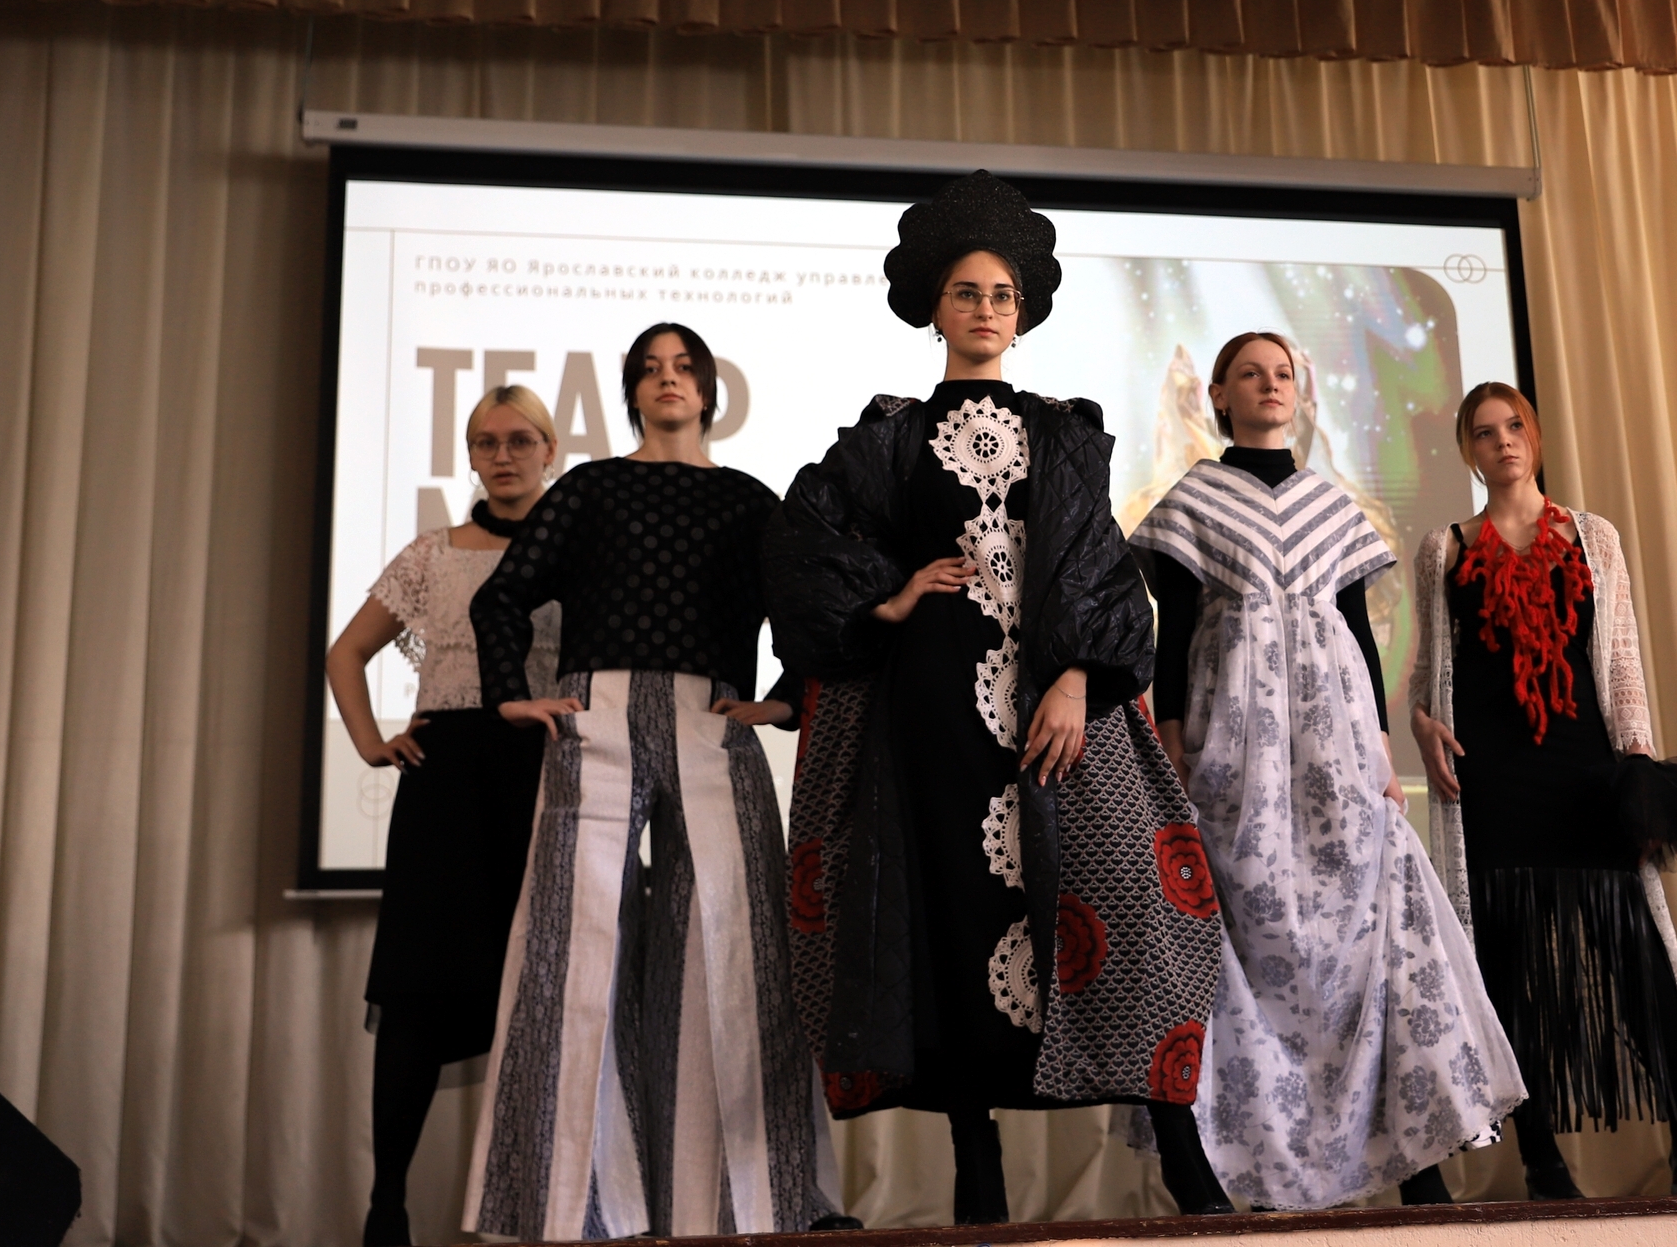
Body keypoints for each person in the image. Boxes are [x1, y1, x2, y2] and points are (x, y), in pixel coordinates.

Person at [764, 172, 1230, 1224]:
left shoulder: (1065, 431)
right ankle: (978, 1179)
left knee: (1130, 908)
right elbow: (801, 540)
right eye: (967, 293)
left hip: (1055, 709)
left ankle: (1187, 1165)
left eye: (1002, 296)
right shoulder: (887, 434)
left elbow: (1101, 565)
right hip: (929, 712)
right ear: (935, 307)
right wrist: (888, 599)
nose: (985, 309)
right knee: (947, 918)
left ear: (1022, 315)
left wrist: (1076, 677)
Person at [461, 324, 848, 1241]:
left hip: (714, 724)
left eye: (683, 368)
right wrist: (509, 694)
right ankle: (576, 1207)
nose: (667, 380)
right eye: (649, 369)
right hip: (593, 719)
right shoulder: (590, 488)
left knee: (736, 949)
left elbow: (811, 613)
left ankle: (755, 1203)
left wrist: (786, 698)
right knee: (572, 951)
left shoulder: (752, 502)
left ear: (709, 389)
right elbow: (500, 596)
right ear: (631, 391)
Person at [1130, 332, 1525, 1211]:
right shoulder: (1195, 500)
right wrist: (1175, 738)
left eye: (1282, 374)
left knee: (1368, 929)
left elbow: (1354, 630)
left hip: (1336, 745)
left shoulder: (1332, 504)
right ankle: (1254, 1167)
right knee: (1252, 935)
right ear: (1220, 396)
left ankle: (1415, 1163)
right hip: (1237, 747)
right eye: (1249, 375)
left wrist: (1380, 747)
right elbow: (1177, 629)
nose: (1269, 386)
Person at [1407, 382, 1677, 1198]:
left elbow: (1620, 659)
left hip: (1585, 770)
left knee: (1635, 957)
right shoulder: (1443, 548)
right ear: (1468, 451)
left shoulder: (1593, 536)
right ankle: (1542, 1162)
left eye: (1514, 426)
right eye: (1484, 433)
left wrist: (1640, 768)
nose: (1503, 442)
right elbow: (1428, 667)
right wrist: (1420, 722)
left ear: (1535, 436)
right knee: (1508, 974)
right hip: (1492, 781)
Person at [326, 384, 565, 1247]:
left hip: (546, 779)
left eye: (519, 440)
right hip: (448, 788)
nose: (503, 456)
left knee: (552, 991)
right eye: (486, 442)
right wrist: (370, 743)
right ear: (470, 456)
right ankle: (387, 1206)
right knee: (419, 993)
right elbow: (346, 653)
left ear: (550, 450)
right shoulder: (432, 554)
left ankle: (553, 1209)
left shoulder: (578, 552)